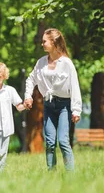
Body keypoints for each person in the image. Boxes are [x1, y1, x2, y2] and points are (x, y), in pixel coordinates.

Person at [24, 28, 81, 171]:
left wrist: (76, 110)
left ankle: (71, 176)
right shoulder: (41, 62)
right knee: (49, 142)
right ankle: (51, 174)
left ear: (54, 42)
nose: (42, 44)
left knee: (63, 141)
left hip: (64, 106)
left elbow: (75, 87)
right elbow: (31, 80)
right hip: (48, 105)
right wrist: (28, 96)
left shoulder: (67, 63)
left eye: (44, 41)